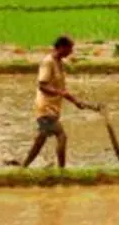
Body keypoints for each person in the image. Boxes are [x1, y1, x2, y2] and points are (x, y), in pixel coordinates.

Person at [20, 36, 101, 169]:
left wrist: (76, 101)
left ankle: (24, 167)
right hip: (45, 108)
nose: (71, 52)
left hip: (52, 108)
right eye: (70, 48)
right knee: (61, 136)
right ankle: (62, 171)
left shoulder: (59, 63)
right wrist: (60, 93)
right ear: (62, 47)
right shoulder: (48, 62)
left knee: (40, 140)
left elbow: (62, 90)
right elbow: (42, 85)